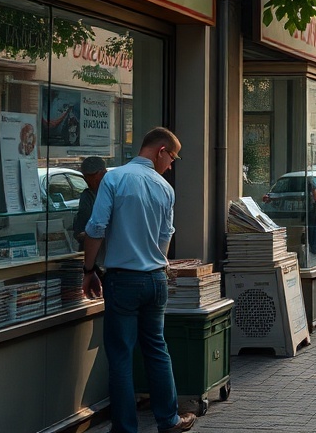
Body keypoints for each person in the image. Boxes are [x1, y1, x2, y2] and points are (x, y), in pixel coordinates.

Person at [81, 127, 196, 433]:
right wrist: (153, 261)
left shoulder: (114, 179)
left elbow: (96, 227)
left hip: (123, 280)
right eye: (172, 157)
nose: (170, 165)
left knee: (120, 355)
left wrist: (88, 270)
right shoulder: (164, 188)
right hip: (156, 279)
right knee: (156, 348)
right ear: (160, 150)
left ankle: (124, 429)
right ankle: (168, 419)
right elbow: (164, 238)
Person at [73, 156, 107, 252]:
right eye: (86, 178)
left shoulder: (114, 191)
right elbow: (80, 228)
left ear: (103, 173)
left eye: (93, 177)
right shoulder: (87, 195)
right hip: (91, 248)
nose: (89, 181)